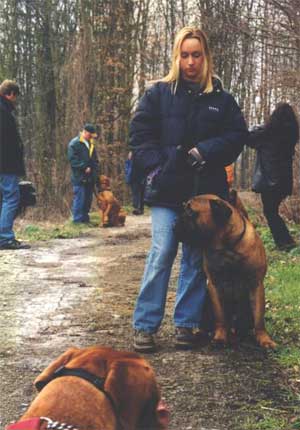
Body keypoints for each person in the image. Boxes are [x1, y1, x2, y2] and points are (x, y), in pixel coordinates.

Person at [129, 26, 247, 352]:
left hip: (205, 195)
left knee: (195, 259)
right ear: (176, 57)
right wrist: (157, 167)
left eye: (196, 55)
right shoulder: (158, 94)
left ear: (205, 57)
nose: (190, 62)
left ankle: (186, 323)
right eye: (184, 55)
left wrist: (206, 151)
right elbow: (139, 135)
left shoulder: (221, 100)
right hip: (167, 190)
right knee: (163, 251)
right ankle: (145, 326)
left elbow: (237, 135)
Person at [247, 103, 299, 251]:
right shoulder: (291, 135)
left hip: (270, 181)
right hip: (284, 182)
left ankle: (285, 243)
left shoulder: (268, 133)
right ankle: (285, 242)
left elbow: (249, 139)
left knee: (270, 212)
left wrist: (256, 127)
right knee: (272, 211)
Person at [0, 79, 30, 250]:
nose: (15, 100)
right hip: (6, 164)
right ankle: (5, 238)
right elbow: (7, 142)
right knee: (11, 198)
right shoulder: (3, 112)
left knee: (4, 199)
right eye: (15, 96)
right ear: (9, 94)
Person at [68, 123, 100, 223]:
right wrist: (84, 167)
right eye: (90, 135)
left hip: (90, 177)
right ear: (85, 132)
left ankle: (85, 220)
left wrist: (95, 168)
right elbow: (73, 160)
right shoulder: (74, 143)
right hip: (79, 176)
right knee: (79, 199)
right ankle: (77, 221)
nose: (91, 137)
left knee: (88, 199)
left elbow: (94, 159)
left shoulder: (91, 144)